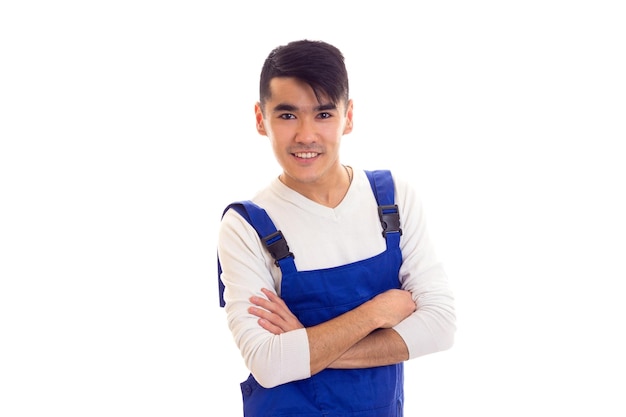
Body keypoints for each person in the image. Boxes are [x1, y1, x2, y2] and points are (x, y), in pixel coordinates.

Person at [216, 39, 456, 417]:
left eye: (324, 115)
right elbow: (268, 363)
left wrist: (304, 345)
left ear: (349, 116)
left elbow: (440, 327)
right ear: (261, 120)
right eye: (288, 115)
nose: (306, 135)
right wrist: (376, 314)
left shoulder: (391, 201)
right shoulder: (245, 226)